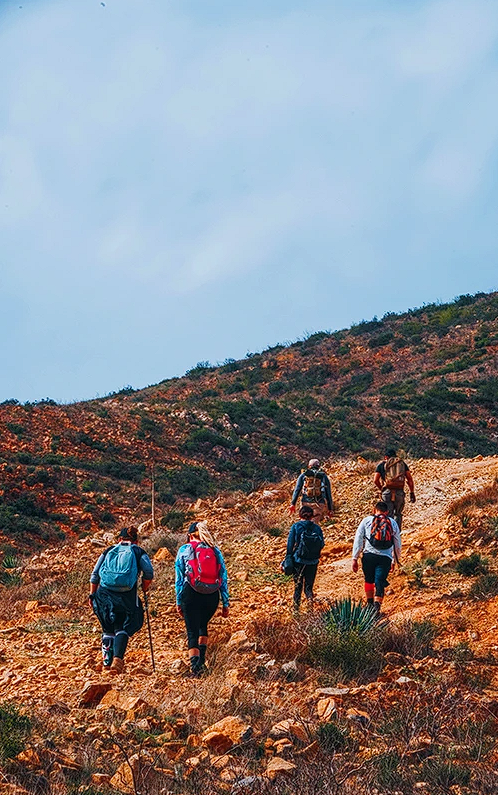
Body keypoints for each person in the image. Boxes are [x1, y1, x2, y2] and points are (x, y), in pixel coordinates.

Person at [89, 526, 154, 674]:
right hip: (126, 596)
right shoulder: (138, 552)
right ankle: (117, 660)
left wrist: (92, 595)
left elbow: (95, 575)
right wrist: (144, 586)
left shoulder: (109, 551)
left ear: (119, 539)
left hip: (104, 594)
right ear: (136, 541)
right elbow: (149, 572)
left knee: (107, 628)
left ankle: (106, 662)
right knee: (122, 626)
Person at [175, 521, 229, 677]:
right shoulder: (215, 550)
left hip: (190, 592)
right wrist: (225, 602)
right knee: (203, 625)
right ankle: (202, 661)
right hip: (212, 595)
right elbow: (223, 576)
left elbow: (179, 578)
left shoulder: (184, 549)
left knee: (192, 631)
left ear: (191, 535)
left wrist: (179, 601)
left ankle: (195, 668)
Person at [351, 501, 401, 614]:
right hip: (385, 557)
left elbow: (358, 539)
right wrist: (395, 560)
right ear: (387, 512)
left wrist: (355, 558)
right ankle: (377, 607)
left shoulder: (366, 521)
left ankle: (369, 605)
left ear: (374, 510)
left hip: (369, 555)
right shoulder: (392, 523)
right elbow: (397, 543)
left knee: (369, 579)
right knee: (380, 581)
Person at [286, 504, 325, 611]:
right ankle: (310, 607)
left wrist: (288, 559)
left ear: (300, 515)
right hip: (313, 562)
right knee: (309, 587)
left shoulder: (296, 526)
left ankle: (296, 610)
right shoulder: (317, 528)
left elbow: (290, 545)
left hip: (298, 561)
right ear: (312, 516)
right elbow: (322, 544)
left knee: (298, 586)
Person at [374, 449, 415, 531]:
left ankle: (388, 536)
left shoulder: (382, 465)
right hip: (399, 492)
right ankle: (396, 535)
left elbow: (375, 480)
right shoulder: (402, 464)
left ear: (386, 457)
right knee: (398, 514)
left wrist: (382, 489)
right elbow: (409, 479)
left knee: (388, 515)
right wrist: (412, 492)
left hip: (387, 492)